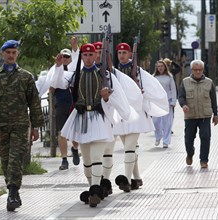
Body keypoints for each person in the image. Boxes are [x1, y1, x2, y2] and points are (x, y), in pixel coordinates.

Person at [0, 40, 45, 211]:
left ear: (17, 54)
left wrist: (36, 127)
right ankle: (13, 190)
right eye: (8, 52)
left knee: (15, 159)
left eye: (14, 52)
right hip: (0, 124)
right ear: (3, 54)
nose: (11, 55)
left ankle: (13, 192)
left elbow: (34, 103)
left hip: (20, 124)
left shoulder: (26, 77)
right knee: (6, 160)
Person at [61, 43, 131, 207]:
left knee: (97, 157)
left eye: (91, 55)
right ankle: (92, 187)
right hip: (82, 119)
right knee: (87, 162)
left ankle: (94, 192)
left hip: (99, 119)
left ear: (95, 56)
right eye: (85, 55)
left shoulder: (105, 75)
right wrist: (59, 66)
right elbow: (57, 82)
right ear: (82, 57)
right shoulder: (74, 75)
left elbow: (118, 98)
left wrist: (107, 98)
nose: (88, 58)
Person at [112, 42, 169, 192]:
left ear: (130, 54)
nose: (122, 55)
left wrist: (143, 94)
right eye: (119, 53)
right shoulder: (114, 71)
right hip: (122, 114)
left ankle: (126, 180)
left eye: (125, 52)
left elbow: (152, 87)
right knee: (128, 148)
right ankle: (137, 178)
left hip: (136, 114)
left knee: (129, 148)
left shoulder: (138, 71)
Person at [178, 59, 218, 169]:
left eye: (200, 70)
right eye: (196, 70)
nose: (198, 72)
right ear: (191, 70)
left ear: (203, 70)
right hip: (190, 115)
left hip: (205, 115)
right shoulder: (185, 82)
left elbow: (213, 99)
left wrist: (216, 114)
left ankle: (204, 160)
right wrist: (183, 105)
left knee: (205, 137)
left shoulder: (209, 82)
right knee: (188, 139)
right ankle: (190, 154)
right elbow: (181, 96)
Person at [49, 39, 80, 170]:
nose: (65, 59)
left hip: (74, 104)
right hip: (61, 104)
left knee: (75, 132)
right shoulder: (55, 70)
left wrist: (74, 47)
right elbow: (51, 87)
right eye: (63, 56)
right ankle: (64, 159)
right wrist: (58, 67)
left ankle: (74, 148)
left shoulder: (76, 70)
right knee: (62, 132)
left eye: (68, 56)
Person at [152, 60, 177, 148]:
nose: (160, 68)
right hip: (157, 102)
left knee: (167, 122)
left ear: (165, 67)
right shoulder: (154, 77)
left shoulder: (169, 77)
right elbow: (151, 90)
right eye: (158, 66)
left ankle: (166, 141)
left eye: (161, 66)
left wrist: (173, 101)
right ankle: (158, 136)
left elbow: (173, 89)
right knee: (155, 121)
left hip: (167, 101)